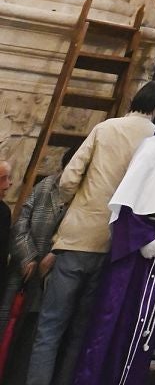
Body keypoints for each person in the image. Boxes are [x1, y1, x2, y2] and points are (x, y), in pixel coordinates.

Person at [26, 82, 155, 385]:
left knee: (50, 327)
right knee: (83, 329)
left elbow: (68, 178)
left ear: (133, 99)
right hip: (114, 243)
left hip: (77, 236)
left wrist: (77, 203)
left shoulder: (106, 128)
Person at [72, 87, 155, 385]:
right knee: (113, 314)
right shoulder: (151, 146)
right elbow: (128, 198)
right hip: (136, 245)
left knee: (146, 323)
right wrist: (143, 238)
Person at [0, 148, 73, 385]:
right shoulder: (46, 187)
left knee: (32, 335)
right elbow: (22, 221)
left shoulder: (81, 198)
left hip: (51, 278)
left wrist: (53, 255)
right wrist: (28, 256)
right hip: (24, 270)